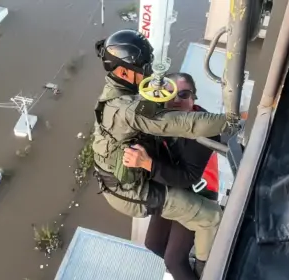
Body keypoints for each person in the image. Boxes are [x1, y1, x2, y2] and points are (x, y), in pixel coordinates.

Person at [92, 29, 230, 276]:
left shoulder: (116, 93)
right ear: (123, 72)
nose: (147, 73)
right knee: (211, 218)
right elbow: (184, 123)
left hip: (140, 179)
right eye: (143, 67)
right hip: (131, 189)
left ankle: (198, 262)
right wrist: (233, 121)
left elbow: (187, 174)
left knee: (171, 245)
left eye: (184, 95)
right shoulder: (129, 110)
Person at [123, 72, 220, 280]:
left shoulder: (205, 130)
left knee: (174, 260)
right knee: (153, 244)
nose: (176, 100)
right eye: (170, 94)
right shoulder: (158, 121)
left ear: (194, 99)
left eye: (183, 94)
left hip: (197, 193)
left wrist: (146, 163)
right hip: (170, 186)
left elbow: (188, 177)